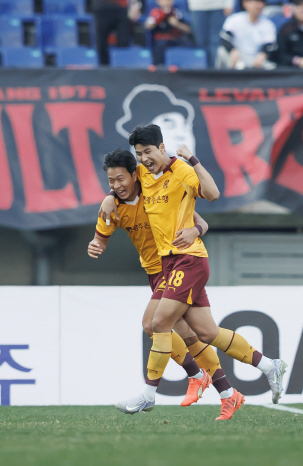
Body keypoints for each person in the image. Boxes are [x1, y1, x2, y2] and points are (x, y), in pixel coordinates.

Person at [100, 125, 287, 417]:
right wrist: (111, 195)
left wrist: (193, 161)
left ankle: (151, 393)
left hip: (188, 259)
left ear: (162, 148)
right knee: (206, 332)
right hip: (169, 263)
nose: (144, 159)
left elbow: (212, 194)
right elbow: (125, 183)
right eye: (139, 154)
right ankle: (267, 365)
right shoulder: (145, 175)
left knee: (158, 323)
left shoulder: (181, 171)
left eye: (148, 152)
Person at [88, 149, 239, 417]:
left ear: (136, 174)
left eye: (120, 179)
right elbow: (101, 237)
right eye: (111, 182)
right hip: (156, 273)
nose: (116, 186)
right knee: (194, 335)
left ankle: (170, 385)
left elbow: (200, 221)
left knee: (153, 324)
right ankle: (226, 390)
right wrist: (96, 243)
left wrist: (195, 230)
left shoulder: (157, 192)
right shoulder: (113, 205)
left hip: (178, 266)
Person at [217, 0, 277, 69]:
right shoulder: (234, 19)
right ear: (245, 3)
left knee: (271, 67)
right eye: (255, 2)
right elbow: (225, 38)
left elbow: (270, 44)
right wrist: (232, 50)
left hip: (256, 58)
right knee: (221, 51)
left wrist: (263, 54)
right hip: (237, 56)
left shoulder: (268, 24)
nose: (258, 6)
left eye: (261, 3)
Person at [188, 0, 234, 67]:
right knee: (200, 41)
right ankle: (201, 70)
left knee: (215, 42)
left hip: (217, 6)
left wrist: (229, 3)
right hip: (197, 6)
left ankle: (214, 71)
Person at [93, 0, 141, 66]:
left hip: (121, 7)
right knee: (101, 42)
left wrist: (134, 4)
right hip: (102, 6)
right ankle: (103, 69)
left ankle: (122, 67)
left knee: (124, 41)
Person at [145, 0, 193, 65]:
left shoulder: (177, 12)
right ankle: (159, 67)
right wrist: (159, 17)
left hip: (177, 38)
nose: (167, 2)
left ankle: (191, 65)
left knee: (188, 44)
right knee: (160, 46)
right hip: (162, 38)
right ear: (158, 2)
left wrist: (177, 24)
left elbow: (188, 30)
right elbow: (148, 26)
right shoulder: (155, 12)